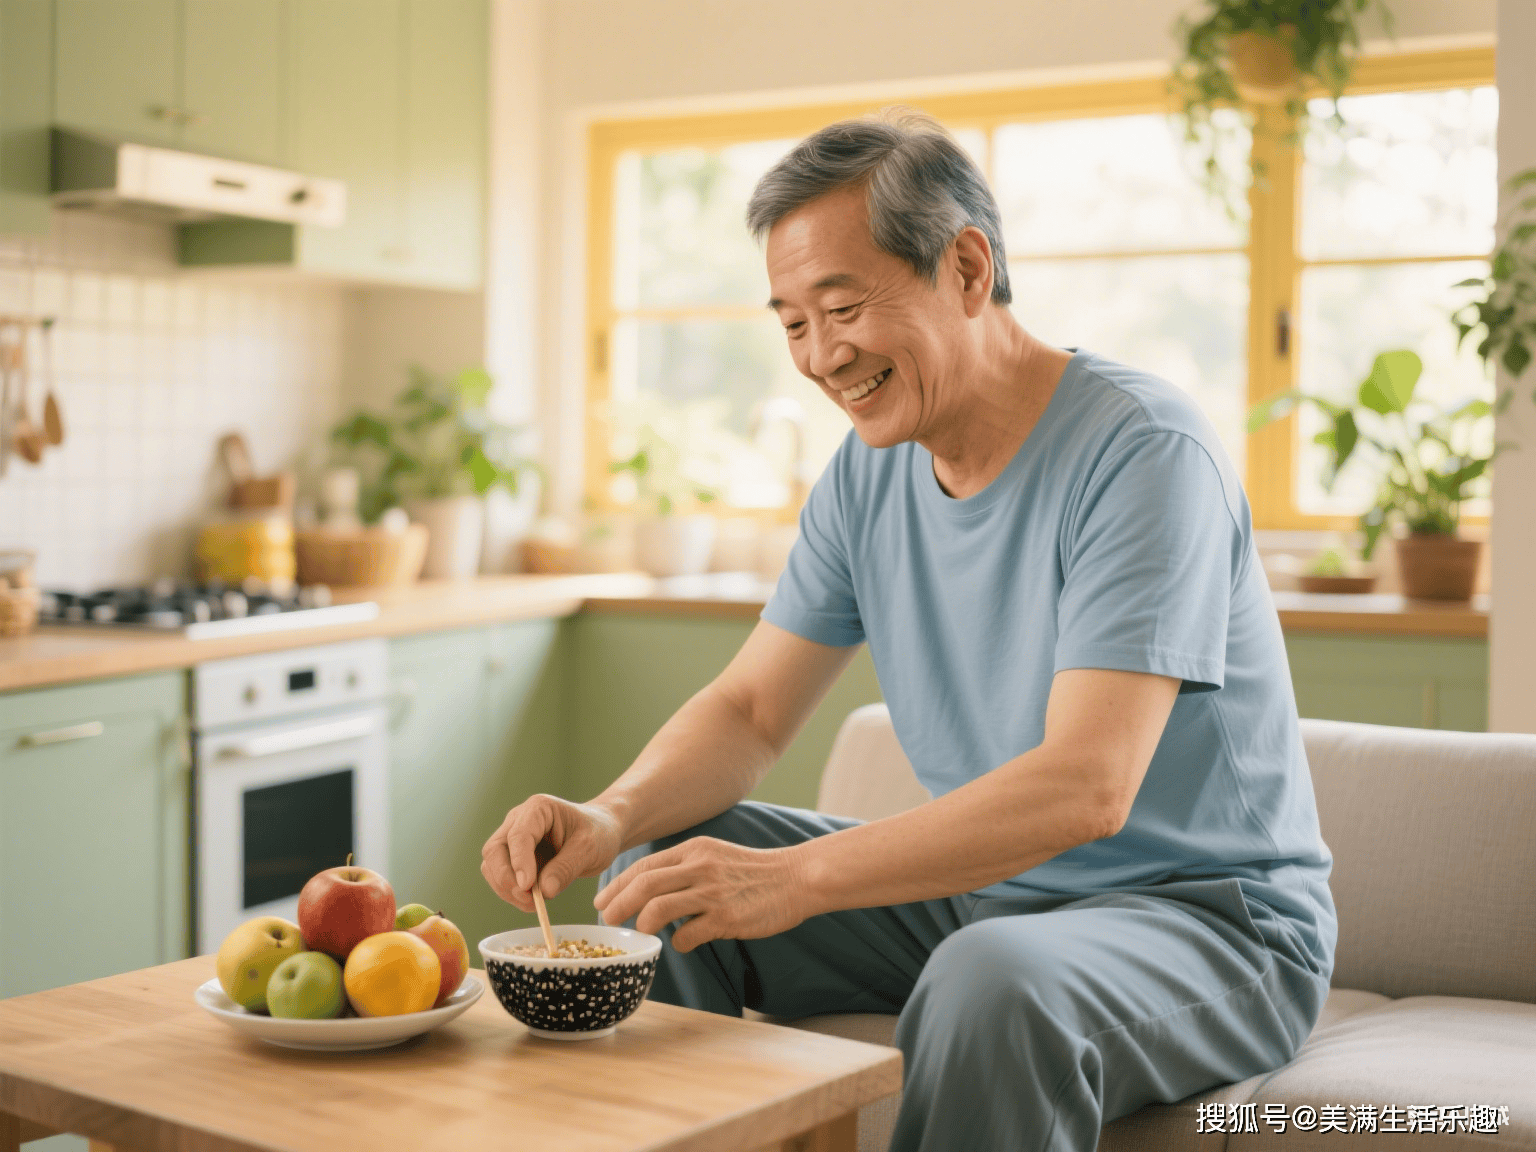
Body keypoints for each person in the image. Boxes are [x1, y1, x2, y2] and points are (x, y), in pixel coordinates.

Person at [482, 110, 1336, 1152]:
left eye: (841, 308)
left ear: (967, 268)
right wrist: (611, 815)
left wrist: (794, 880)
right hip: (988, 898)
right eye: (793, 322)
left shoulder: (1142, 454)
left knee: (991, 982)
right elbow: (751, 710)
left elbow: (1089, 785)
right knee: (666, 871)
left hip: (1209, 928)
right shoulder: (867, 471)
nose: (819, 357)